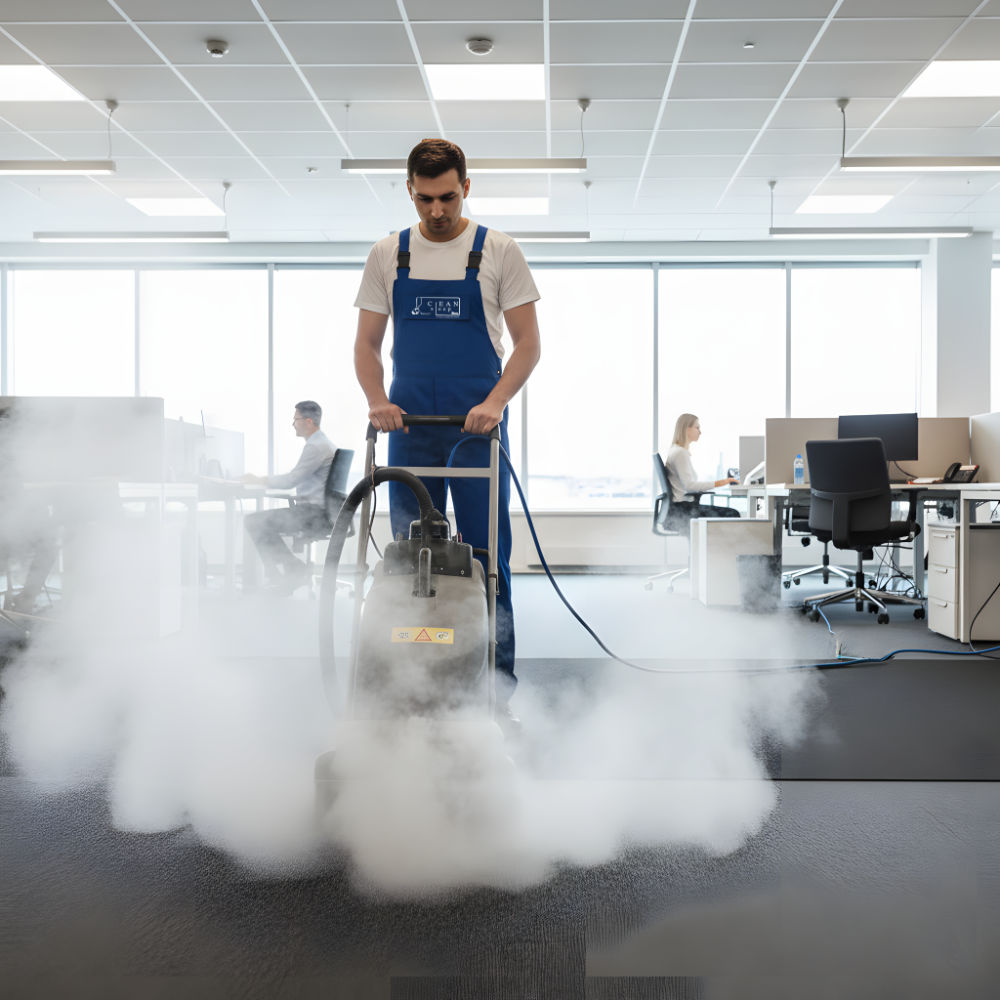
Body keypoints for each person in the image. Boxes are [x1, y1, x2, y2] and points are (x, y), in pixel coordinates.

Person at [353, 138, 541, 725]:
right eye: (426, 198)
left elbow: (528, 345)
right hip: (410, 428)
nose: (438, 210)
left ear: (466, 188)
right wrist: (376, 400)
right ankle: (409, 684)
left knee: (488, 557)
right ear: (409, 189)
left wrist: (496, 401)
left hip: (476, 429)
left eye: (449, 197)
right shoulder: (389, 254)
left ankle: (496, 690)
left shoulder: (498, 251)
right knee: (410, 561)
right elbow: (366, 344)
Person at [242, 400, 335, 594]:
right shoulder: (323, 443)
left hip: (314, 515)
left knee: (253, 522)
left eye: (296, 419)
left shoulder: (316, 446)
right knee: (256, 521)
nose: (293, 424)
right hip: (319, 511)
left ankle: (287, 572)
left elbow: (292, 480)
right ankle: (284, 573)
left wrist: (260, 480)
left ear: (308, 421)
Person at [665, 413, 741, 519]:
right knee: (733, 514)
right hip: (683, 509)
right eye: (697, 428)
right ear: (687, 429)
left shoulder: (675, 450)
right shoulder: (680, 453)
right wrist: (722, 482)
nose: (700, 432)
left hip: (679, 508)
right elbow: (690, 486)